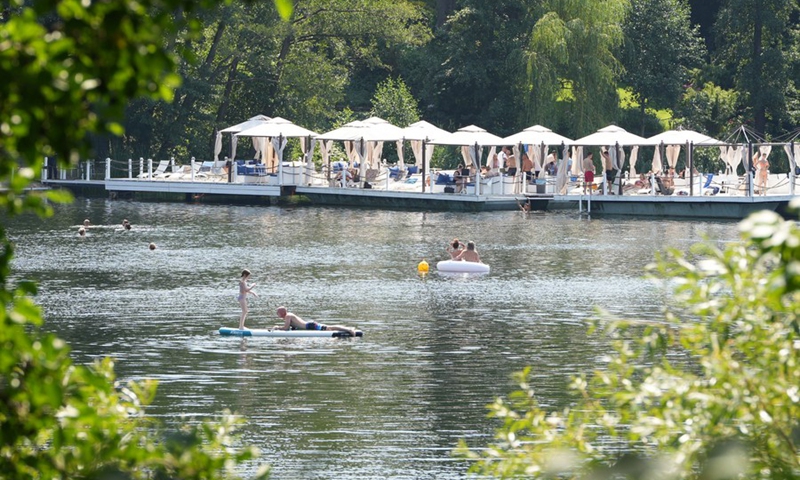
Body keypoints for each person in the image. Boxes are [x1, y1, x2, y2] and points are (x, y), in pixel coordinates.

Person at [273, 306, 356, 336]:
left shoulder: (288, 316)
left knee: (330, 328)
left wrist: (277, 328)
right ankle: (347, 329)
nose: (277, 314)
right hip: (309, 325)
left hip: (310, 326)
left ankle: (349, 330)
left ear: (282, 313)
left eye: (277, 312)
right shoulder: (288, 316)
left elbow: (286, 328)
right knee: (329, 328)